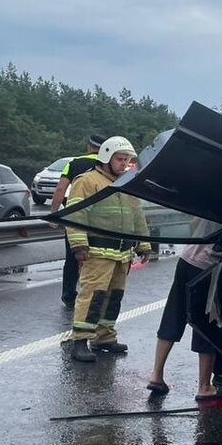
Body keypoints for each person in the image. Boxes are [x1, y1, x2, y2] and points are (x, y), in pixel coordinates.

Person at [64, 136, 151, 362]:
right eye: (120, 159)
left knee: (114, 298)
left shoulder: (126, 183)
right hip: (97, 252)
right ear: (106, 157)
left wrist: (143, 243)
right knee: (92, 297)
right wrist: (79, 245)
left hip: (122, 254)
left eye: (127, 159)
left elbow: (136, 215)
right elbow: (75, 214)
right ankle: (80, 341)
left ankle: (104, 337)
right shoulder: (87, 181)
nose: (124, 163)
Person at [146, 218, 222, 401]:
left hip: (187, 258)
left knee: (174, 314)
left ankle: (156, 375)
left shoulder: (204, 196)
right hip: (207, 265)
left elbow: (192, 223)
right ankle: (205, 386)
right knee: (206, 323)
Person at [50, 133, 106, 307]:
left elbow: (61, 189)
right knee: (99, 258)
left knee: (73, 258)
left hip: (76, 219)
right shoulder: (107, 164)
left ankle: (69, 296)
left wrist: (54, 214)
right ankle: (94, 294)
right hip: (102, 219)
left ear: (88, 146)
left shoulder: (74, 163)